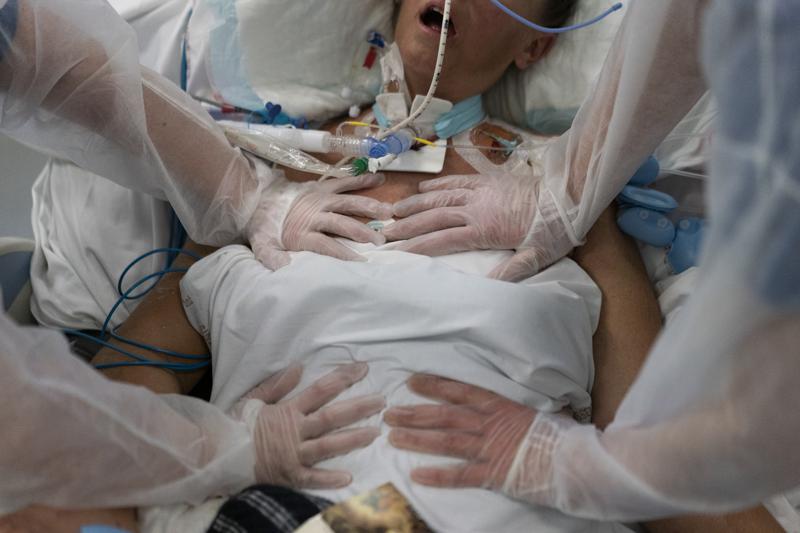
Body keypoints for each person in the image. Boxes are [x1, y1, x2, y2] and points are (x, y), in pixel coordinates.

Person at [8, 1, 780, 531]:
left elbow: (663, 447)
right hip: (281, 505)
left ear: (534, 47)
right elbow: (104, 407)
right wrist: (221, 441)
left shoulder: (572, 209)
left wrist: (565, 462)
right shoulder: (258, 188)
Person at [382, 0, 800, 523]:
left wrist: (573, 466)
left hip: (463, 488)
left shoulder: (572, 185)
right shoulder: (258, 164)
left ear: (533, 45)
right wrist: (248, 444)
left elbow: (647, 422)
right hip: (314, 481)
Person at [0, 0, 386, 513]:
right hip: (297, 492)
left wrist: (243, 193)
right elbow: (44, 442)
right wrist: (221, 452)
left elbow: (36, 49)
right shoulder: (233, 244)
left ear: (534, 46)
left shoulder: (528, 202)